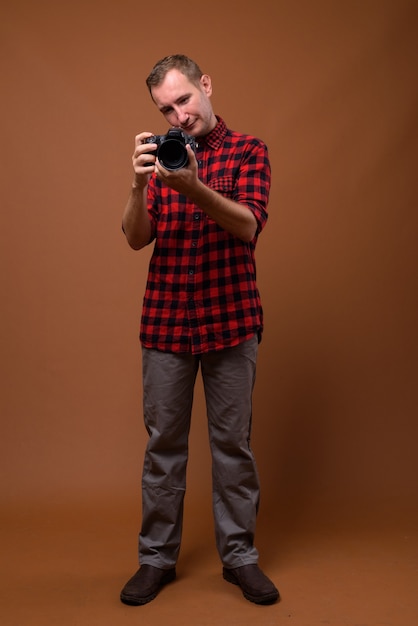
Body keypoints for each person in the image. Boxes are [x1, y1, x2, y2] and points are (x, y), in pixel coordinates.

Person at [120, 54, 279, 606]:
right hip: (165, 323)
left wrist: (191, 188)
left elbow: (246, 224)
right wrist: (140, 186)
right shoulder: (162, 159)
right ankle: (155, 559)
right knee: (163, 448)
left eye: (184, 99)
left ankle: (240, 558)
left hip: (232, 323)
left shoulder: (248, 150)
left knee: (232, 448)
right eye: (166, 108)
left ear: (206, 85)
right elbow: (136, 238)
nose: (178, 116)